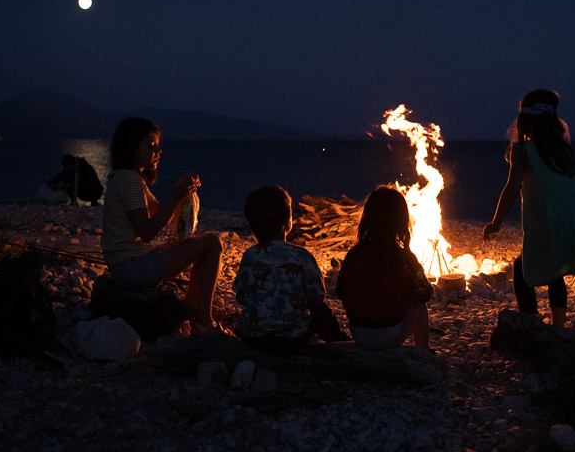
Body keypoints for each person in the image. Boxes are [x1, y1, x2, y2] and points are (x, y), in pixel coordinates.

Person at [483, 89, 575, 327]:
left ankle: (530, 321)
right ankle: (558, 327)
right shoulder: (563, 148)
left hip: (549, 219)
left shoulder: (524, 150)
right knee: (555, 269)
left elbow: (511, 188)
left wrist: (496, 222)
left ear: (524, 121)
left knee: (522, 269)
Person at [101, 117, 224, 336]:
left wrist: (181, 192)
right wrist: (176, 196)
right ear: (130, 147)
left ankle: (193, 311)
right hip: (133, 269)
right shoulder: (128, 180)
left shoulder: (127, 178)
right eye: (151, 145)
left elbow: (162, 215)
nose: (158, 150)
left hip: (127, 265)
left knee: (202, 244)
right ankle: (203, 322)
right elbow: (147, 232)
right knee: (212, 243)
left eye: (158, 145)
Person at [232, 185, 349, 353]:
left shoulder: (249, 256)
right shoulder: (302, 257)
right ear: (287, 220)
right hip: (290, 341)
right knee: (321, 310)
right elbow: (316, 298)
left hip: (252, 339)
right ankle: (340, 343)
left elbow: (241, 297)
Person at [336, 186, 433, 350]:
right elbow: (425, 293)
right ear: (401, 221)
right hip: (388, 335)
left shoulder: (354, 253)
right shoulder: (403, 257)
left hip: (358, 332)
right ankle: (423, 350)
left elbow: (340, 290)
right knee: (418, 303)